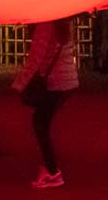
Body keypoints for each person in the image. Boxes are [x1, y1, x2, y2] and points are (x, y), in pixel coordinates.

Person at [13, 16, 78, 189]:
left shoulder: (45, 24)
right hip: (67, 80)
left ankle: (52, 172)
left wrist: (19, 84)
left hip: (55, 82)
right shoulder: (62, 20)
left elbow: (36, 56)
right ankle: (50, 168)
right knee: (41, 122)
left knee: (40, 123)